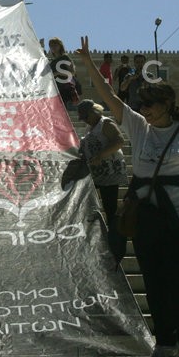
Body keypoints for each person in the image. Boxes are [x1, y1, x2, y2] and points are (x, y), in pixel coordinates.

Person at [76, 36, 179, 357]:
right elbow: (109, 97)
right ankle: (165, 345)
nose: (145, 109)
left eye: (150, 104)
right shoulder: (138, 128)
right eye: (143, 104)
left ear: (167, 103)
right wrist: (90, 62)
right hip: (146, 217)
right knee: (154, 282)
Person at [75, 99, 128, 264]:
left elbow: (119, 141)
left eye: (85, 116)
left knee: (110, 207)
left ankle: (114, 244)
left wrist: (101, 155)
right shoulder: (90, 127)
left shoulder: (106, 123)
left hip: (110, 170)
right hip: (97, 173)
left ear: (93, 112)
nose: (84, 120)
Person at [46, 37, 78, 106]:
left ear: (60, 46)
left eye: (55, 45)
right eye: (51, 46)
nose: (53, 47)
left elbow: (72, 73)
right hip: (55, 90)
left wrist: (56, 73)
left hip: (66, 90)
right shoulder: (51, 62)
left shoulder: (65, 57)